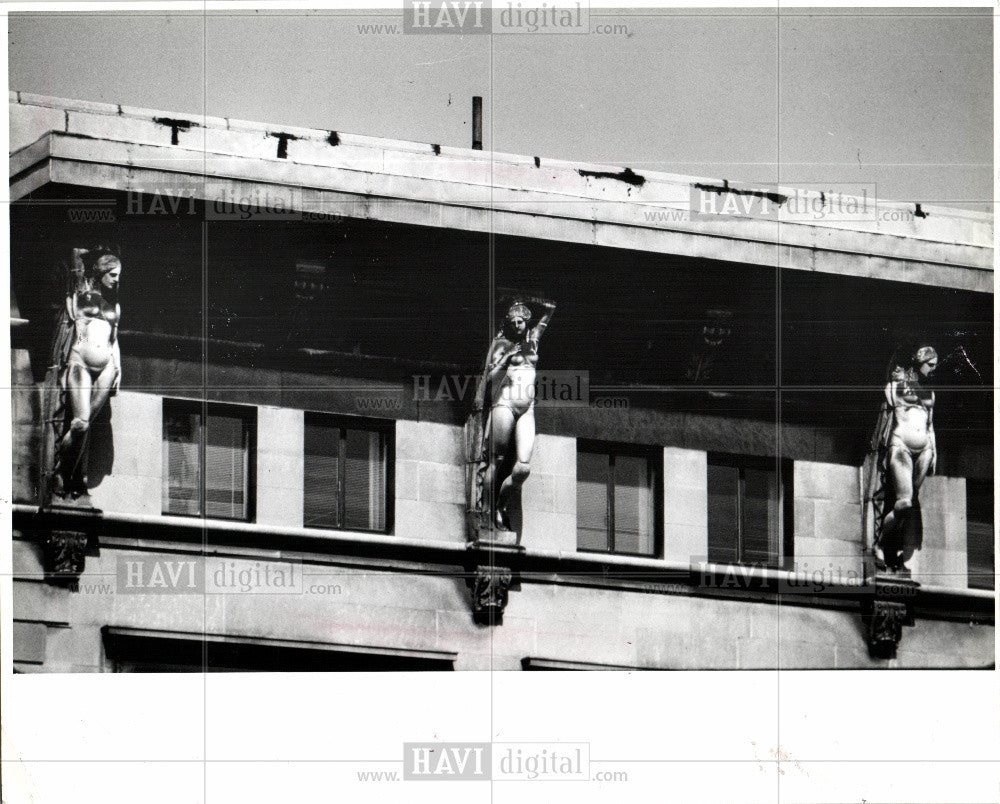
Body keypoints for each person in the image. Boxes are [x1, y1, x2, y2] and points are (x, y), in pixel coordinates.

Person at [470, 298, 555, 534]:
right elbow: (488, 377)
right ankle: (488, 511)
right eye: (513, 321)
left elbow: (550, 312)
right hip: (504, 403)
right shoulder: (501, 344)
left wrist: (537, 302)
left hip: (527, 408)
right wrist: (507, 358)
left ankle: (501, 505)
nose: (517, 325)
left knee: (523, 468)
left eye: (521, 321)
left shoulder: (533, 341)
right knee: (495, 461)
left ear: (527, 322)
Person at [47, 246, 122, 500]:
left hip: (107, 367)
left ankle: (74, 477)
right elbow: (70, 317)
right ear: (101, 273)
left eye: (119, 275)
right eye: (112, 274)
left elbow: (114, 339)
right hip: (80, 362)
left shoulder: (116, 306)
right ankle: (61, 470)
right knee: (80, 423)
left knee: (87, 424)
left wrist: (118, 366)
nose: (116, 279)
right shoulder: (80, 296)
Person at [872, 345, 937, 571]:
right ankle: (880, 543)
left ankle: (895, 547)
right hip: (901, 446)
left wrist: (934, 451)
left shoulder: (930, 394)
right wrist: (902, 377)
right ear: (919, 363)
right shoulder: (895, 386)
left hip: (924, 450)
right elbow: (891, 396)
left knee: (909, 505)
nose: (933, 369)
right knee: (904, 502)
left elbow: (930, 425)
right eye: (930, 365)